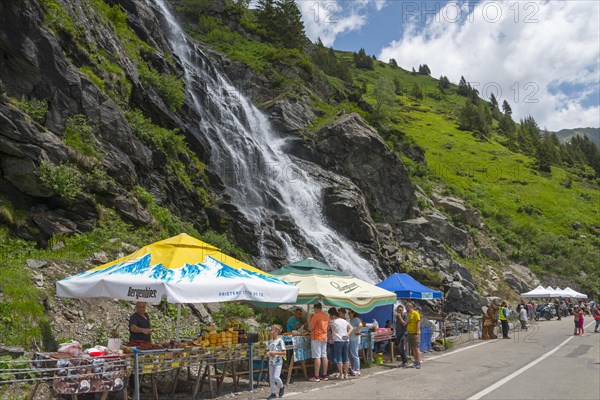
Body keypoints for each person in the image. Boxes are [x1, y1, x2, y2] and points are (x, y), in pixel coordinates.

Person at [128, 302, 151, 393]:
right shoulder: (134, 317)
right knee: (135, 366)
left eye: (144, 307)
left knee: (143, 366)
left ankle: (139, 385)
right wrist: (143, 330)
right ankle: (134, 386)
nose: (142, 309)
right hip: (136, 346)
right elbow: (132, 328)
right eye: (140, 307)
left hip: (146, 345)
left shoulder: (146, 315)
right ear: (136, 307)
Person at [308, 303, 329, 382]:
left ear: (316, 308)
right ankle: (324, 374)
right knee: (324, 355)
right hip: (324, 337)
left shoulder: (316, 316)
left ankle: (316, 376)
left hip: (316, 337)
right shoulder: (326, 316)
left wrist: (309, 318)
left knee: (317, 356)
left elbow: (310, 327)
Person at [330, 307, 352, 379]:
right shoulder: (344, 321)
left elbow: (327, 329)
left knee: (339, 357)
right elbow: (351, 328)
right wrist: (347, 334)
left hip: (338, 340)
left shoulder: (333, 322)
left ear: (333, 316)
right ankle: (346, 374)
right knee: (346, 357)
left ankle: (341, 374)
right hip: (346, 340)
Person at [266, 324, 286, 399]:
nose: (270, 331)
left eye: (272, 330)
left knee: (276, 377)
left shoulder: (280, 341)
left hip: (278, 362)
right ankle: (273, 393)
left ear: (277, 332)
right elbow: (267, 350)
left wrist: (275, 353)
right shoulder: (270, 342)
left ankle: (281, 386)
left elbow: (284, 352)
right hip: (271, 362)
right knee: (271, 378)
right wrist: (267, 353)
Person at [406, 302, 421, 369]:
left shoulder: (415, 313)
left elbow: (418, 323)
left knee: (416, 348)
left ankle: (418, 362)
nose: (406, 308)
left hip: (415, 333)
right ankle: (415, 361)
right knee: (412, 348)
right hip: (409, 333)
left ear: (410, 307)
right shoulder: (409, 314)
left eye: (407, 307)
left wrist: (417, 333)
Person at [348, 310, 362, 376]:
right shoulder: (351, 320)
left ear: (353, 313)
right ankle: (353, 369)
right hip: (351, 339)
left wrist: (356, 331)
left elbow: (360, 325)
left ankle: (357, 369)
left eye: (349, 313)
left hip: (355, 339)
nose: (348, 314)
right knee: (351, 354)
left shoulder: (356, 319)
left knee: (354, 354)